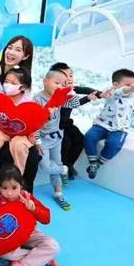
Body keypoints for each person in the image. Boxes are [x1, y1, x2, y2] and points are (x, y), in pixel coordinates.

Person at [0, 166, 60, 266]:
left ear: (21, 185)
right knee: (2, 253)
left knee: (54, 246)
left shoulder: (27, 197)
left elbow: (47, 219)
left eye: (14, 188)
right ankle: (42, 258)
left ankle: (21, 265)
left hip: (31, 233)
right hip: (10, 238)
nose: (10, 193)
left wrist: (34, 209)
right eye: (4, 188)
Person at [34, 70, 87, 211]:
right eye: (56, 83)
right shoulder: (37, 100)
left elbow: (74, 104)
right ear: (45, 81)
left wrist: (70, 91)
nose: (59, 86)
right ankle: (64, 169)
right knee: (45, 166)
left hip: (57, 137)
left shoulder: (60, 97)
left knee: (56, 163)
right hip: (43, 140)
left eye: (62, 84)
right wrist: (37, 141)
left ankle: (58, 193)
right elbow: (34, 123)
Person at [84, 68, 134, 179]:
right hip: (101, 124)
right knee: (89, 137)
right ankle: (92, 161)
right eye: (128, 85)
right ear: (116, 85)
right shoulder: (112, 94)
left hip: (120, 129)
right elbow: (121, 92)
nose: (132, 88)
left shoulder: (133, 101)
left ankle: (98, 164)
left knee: (114, 144)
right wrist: (129, 89)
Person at [49, 62, 104, 180]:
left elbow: (84, 89)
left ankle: (69, 165)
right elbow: (73, 103)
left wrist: (100, 93)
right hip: (55, 126)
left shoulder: (70, 88)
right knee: (66, 144)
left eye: (71, 75)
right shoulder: (54, 92)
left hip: (66, 123)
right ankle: (63, 167)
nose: (69, 78)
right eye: (65, 75)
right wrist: (88, 98)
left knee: (80, 139)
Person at [0, 67, 35, 188]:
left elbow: (34, 121)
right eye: (6, 82)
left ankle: (17, 176)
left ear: (23, 87)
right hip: (4, 129)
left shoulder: (29, 102)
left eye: (13, 83)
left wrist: (32, 135)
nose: (8, 85)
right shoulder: (1, 98)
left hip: (22, 133)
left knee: (18, 145)